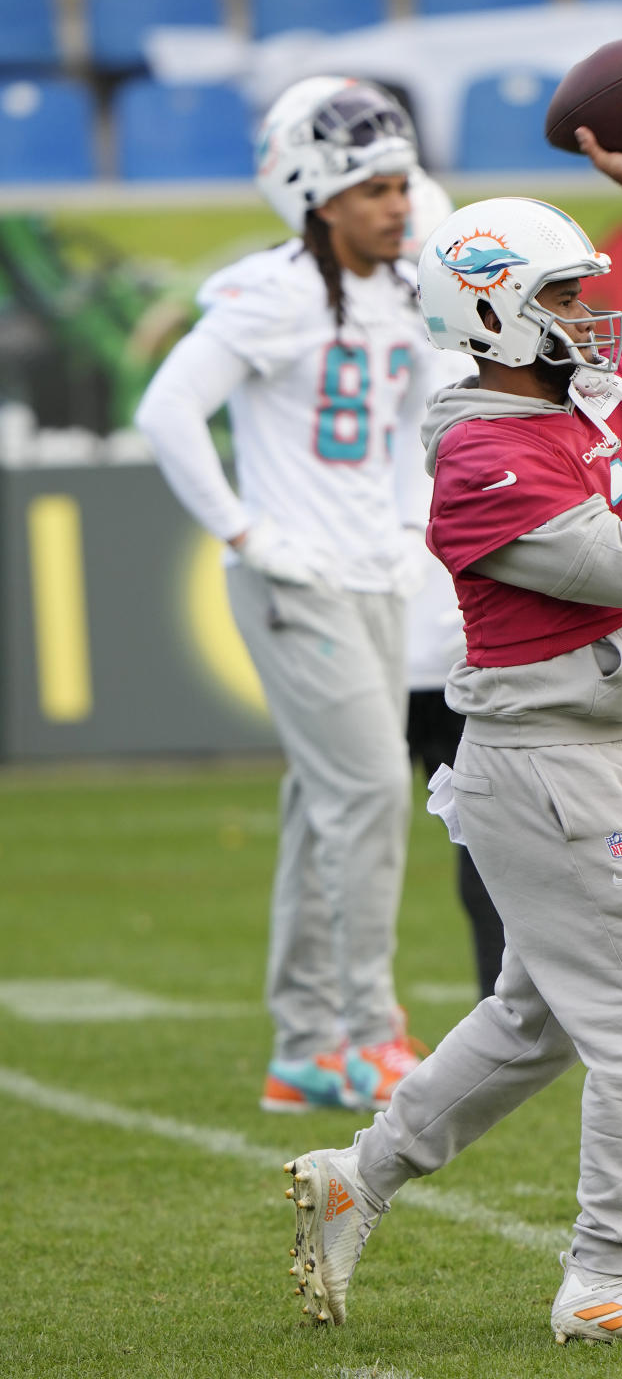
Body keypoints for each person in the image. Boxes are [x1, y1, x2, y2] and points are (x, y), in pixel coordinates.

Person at [283, 125, 622, 1345]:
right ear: (492, 314)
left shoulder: (588, 392)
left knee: (536, 1019)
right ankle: (606, 1277)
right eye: (558, 296)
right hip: (544, 763)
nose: (592, 320)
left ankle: (359, 1178)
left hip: (605, 746)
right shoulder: (483, 448)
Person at [135, 76, 439, 1113]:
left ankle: (305, 1046)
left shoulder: (401, 292)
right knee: (371, 792)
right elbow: (170, 409)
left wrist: (407, 525)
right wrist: (245, 530)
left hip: (370, 571)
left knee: (326, 805)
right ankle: (366, 1032)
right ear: (316, 198)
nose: (399, 205)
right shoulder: (270, 292)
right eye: (374, 189)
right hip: (292, 580)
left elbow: (411, 422)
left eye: (402, 184)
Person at [401, 171, 506, 1002]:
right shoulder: (461, 346)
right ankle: (507, 1008)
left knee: (350, 829)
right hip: (429, 610)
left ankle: (337, 1027)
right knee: (490, 833)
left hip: (396, 600)